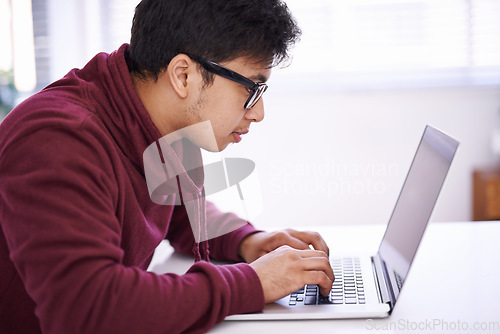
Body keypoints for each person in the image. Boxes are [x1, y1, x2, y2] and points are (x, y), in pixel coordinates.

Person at [0, 0, 334, 333]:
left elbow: (177, 211)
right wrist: (251, 283)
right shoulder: (58, 139)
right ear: (183, 75)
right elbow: (89, 309)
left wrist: (249, 241)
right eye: (251, 88)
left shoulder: (161, 123)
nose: (258, 112)